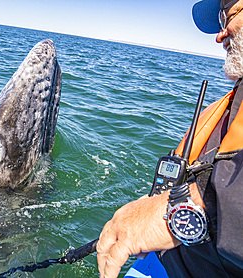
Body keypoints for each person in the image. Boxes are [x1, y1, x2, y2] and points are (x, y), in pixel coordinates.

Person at [97, 0, 243, 277]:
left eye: (230, 17)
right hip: (172, 261)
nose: (220, 35)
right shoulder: (229, 106)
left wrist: (176, 214)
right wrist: (149, 214)